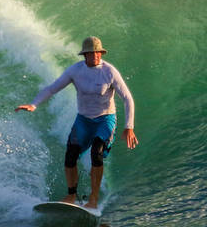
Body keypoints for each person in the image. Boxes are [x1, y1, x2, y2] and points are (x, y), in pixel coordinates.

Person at [15, 36, 138, 208]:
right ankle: (71, 195)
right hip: (83, 119)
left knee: (97, 152)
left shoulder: (109, 72)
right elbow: (52, 88)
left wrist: (129, 127)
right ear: (84, 55)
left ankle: (93, 198)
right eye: (91, 53)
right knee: (70, 156)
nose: (95, 55)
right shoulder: (75, 71)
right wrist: (33, 104)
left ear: (101, 53)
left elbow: (127, 98)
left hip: (105, 119)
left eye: (98, 52)